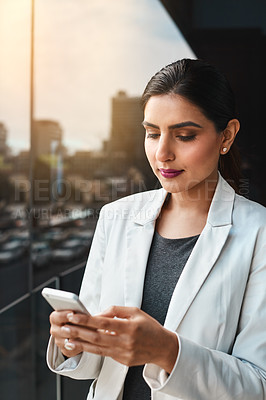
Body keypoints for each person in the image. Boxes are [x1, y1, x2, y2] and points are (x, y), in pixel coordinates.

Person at [47, 58, 266, 400]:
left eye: (184, 135)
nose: (162, 153)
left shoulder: (259, 234)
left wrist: (167, 351)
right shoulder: (116, 218)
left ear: (227, 135)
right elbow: (96, 362)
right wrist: (74, 342)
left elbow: (259, 385)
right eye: (152, 133)